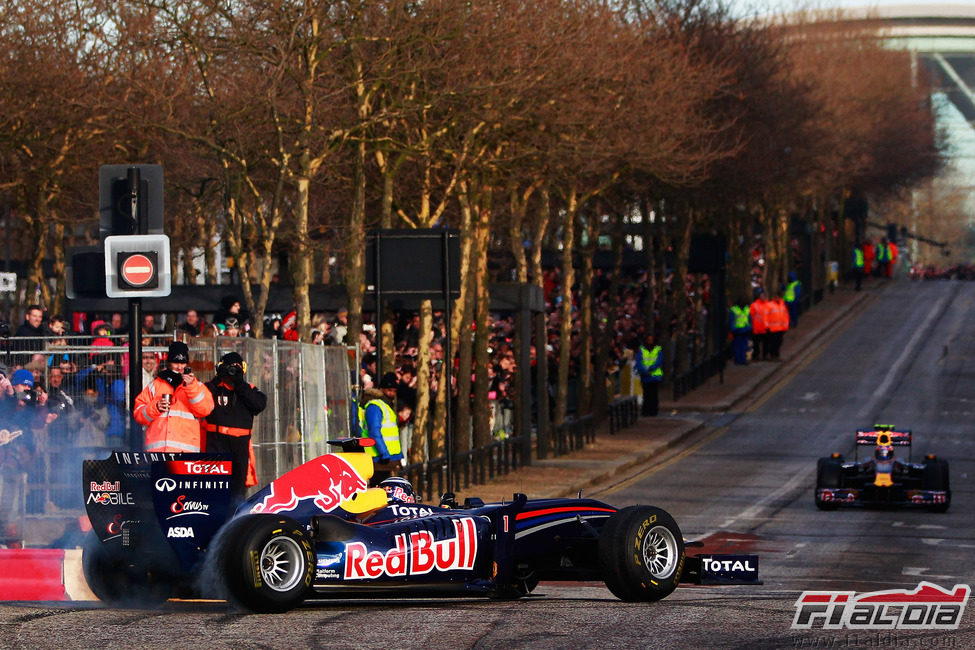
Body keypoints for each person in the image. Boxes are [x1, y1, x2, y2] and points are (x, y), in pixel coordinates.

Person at [203, 352, 267, 501]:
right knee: (215, 489)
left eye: (236, 368)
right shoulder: (213, 388)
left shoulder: (248, 389)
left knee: (237, 492)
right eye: (229, 368)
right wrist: (218, 378)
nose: (232, 372)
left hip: (239, 448)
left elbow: (259, 404)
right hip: (216, 445)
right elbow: (201, 399)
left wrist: (239, 383)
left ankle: (235, 520)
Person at [133, 341, 214, 453]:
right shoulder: (156, 384)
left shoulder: (197, 386)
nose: (179, 367)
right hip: (158, 452)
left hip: (185, 452)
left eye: (183, 363)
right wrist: (156, 407)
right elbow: (138, 414)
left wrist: (191, 388)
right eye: (176, 362)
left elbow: (205, 410)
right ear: (169, 362)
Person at [362, 371, 403, 481]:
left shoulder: (384, 405)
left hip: (386, 458)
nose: (392, 394)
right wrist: (384, 454)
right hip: (379, 458)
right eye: (389, 390)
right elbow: (374, 431)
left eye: (394, 391)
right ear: (382, 389)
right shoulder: (375, 406)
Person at [636, 333, 662, 417]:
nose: (650, 341)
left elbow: (659, 360)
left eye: (651, 340)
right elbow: (639, 361)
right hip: (645, 376)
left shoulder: (657, 349)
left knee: (654, 394)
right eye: (648, 340)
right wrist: (644, 370)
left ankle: (653, 411)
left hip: (654, 376)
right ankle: (646, 411)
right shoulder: (642, 350)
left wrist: (651, 368)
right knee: (646, 394)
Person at [728, 297, 751, 365]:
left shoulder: (747, 309)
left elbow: (749, 319)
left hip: (745, 330)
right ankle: (738, 360)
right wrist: (733, 329)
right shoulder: (734, 310)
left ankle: (742, 360)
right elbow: (732, 321)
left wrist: (750, 327)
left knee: (744, 346)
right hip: (738, 331)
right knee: (738, 346)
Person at [766, 294, 789, 360]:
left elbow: (785, 315)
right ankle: (773, 355)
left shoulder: (782, 305)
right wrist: (767, 326)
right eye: (776, 297)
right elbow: (766, 316)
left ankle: (776, 355)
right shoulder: (770, 305)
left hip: (780, 328)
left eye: (778, 297)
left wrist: (786, 326)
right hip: (772, 328)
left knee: (779, 342)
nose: (777, 298)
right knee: (773, 342)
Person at [749, 289, 770, 361]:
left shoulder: (768, 304)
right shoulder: (754, 305)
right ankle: (756, 356)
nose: (763, 297)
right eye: (761, 295)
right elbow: (751, 316)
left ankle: (765, 355)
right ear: (758, 296)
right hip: (757, 328)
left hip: (766, 327)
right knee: (756, 344)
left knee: (766, 343)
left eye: (764, 295)